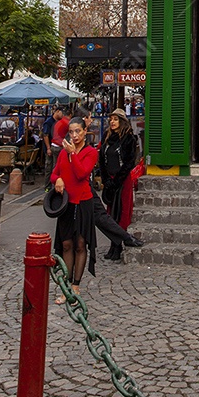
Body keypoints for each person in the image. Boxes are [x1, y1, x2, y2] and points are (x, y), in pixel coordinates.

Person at [50, 116, 98, 301]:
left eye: (78, 131)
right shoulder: (63, 153)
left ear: (85, 131)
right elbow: (54, 174)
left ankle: (75, 285)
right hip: (67, 204)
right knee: (66, 244)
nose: (75, 135)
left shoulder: (90, 152)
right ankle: (66, 285)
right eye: (71, 132)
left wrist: (73, 154)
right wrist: (58, 179)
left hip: (83, 202)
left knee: (80, 244)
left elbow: (82, 173)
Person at [98, 109, 139, 259]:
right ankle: (113, 244)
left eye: (115, 119)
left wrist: (117, 180)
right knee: (111, 213)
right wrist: (106, 180)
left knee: (121, 211)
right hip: (110, 179)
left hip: (122, 180)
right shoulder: (107, 138)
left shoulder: (128, 139)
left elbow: (129, 162)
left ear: (121, 121)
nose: (112, 122)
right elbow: (101, 159)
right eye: (111, 119)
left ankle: (118, 245)